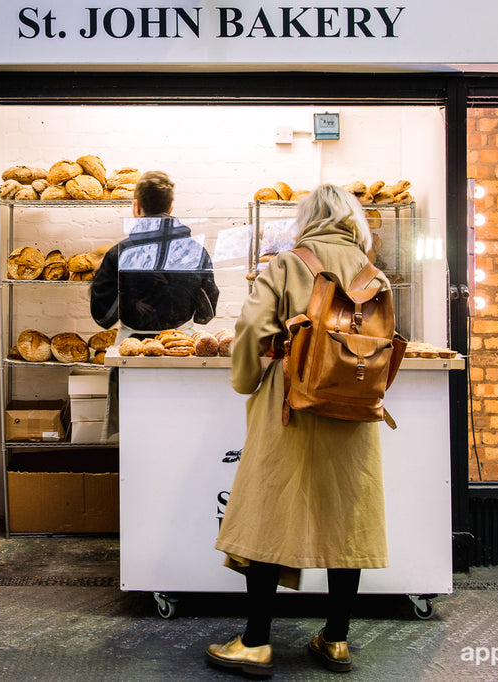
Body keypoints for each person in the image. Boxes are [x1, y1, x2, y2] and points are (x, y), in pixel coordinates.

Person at [206, 184, 391, 677]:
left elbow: (250, 328)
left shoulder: (290, 263)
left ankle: (256, 643)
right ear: (353, 220)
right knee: (346, 519)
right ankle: (335, 641)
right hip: (353, 412)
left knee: (269, 512)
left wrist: (247, 381)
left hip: (291, 404)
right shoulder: (375, 275)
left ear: (307, 218)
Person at [90, 171, 219, 339]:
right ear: (170, 208)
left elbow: (102, 316)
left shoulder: (119, 253)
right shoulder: (195, 252)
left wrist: (100, 277)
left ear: (137, 207)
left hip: (133, 348)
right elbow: (207, 313)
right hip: (180, 344)